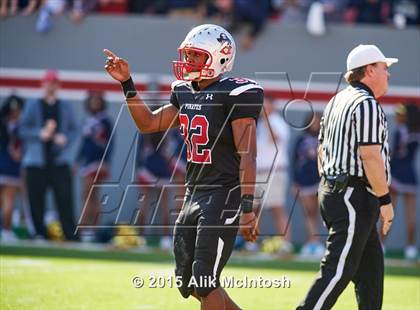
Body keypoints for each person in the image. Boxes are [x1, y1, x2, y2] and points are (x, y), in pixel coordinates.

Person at [103, 24, 263, 309]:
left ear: (219, 58)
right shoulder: (184, 91)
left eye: (195, 55)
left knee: (205, 279)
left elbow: (248, 154)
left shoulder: (237, 93)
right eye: (187, 54)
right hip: (193, 192)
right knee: (190, 284)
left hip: (224, 193)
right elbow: (149, 124)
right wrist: (127, 83)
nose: (188, 61)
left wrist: (248, 208)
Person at [297, 44, 396, 309]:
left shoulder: (336, 100)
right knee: (338, 271)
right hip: (354, 196)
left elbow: (321, 150)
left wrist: (330, 185)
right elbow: (370, 156)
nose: (388, 75)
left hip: (336, 190)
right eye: (385, 68)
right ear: (370, 70)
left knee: (370, 275)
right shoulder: (366, 104)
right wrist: (385, 201)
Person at [19, 70, 78, 241]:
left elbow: (74, 129)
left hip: (59, 161)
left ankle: (69, 234)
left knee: (65, 199)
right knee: (36, 200)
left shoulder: (65, 105)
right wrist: (40, 134)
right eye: (48, 83)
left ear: (57, 86)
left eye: (54, 83)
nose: (50, 86)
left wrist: (65, 139)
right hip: (37, 161)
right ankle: (39, 233)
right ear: (43, 84)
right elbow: (22, 129)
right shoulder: (33, 104)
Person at [255, 96, 293, 256]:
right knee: (253, 210)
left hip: (275, 172)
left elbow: (276, 139)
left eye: (265, 104)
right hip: (257, 172)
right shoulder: (258, 123)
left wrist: (267, 120)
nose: (262, 108)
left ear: (272, 106)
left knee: (277, 209)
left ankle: (286, 244)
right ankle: (251, 244)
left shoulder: (277, 122)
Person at [77, 91, 113, 242]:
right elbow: (84, 144)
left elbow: (110, 143)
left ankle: (87, 229)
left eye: (98, 101)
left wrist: (106, 162)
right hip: (87, 163)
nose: (95, 103)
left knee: (89, 194)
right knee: (90, 196)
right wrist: (77, 160)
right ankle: (90, 230)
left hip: (98, 163)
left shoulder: (105, 121)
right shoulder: (88, 120)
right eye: (92, 101)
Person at [389, 103, 419, 260]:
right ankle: (411, 248)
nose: (397, 116)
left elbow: (394, 154)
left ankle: (380, 244)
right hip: (411, 176)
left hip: (396, 174)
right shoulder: (417, 131)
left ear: (406, 115)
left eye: (400, 113)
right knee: (411, 216)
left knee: (388, 213)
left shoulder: (400, 130)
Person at [293, 112, 324, 259]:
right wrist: (295, 182)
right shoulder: (301, 139)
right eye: (312, 122)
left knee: (318, 212)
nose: (315, 124)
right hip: (304, 181)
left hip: (320, 181)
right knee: (308, 212)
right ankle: (312, 242)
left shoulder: (325, 139)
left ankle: (315, 243)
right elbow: (295, 161)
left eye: (317, 122)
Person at [0, 95, 24, 242]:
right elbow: (18, 152)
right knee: (8, 200)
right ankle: (7, 231)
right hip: (10, 166)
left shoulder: (4, 124)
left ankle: (5, 230)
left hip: (4, 164)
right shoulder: (19, 128)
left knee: (4, 201)